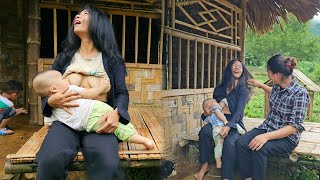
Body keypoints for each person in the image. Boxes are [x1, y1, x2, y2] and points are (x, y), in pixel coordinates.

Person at [35, 5, 130, 179]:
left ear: (99, 23)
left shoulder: (113, 60)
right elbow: (46, 89)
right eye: (78, 14)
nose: (78, 16)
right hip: (65, 120)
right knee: (49, 160)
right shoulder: (64, 58)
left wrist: (117, 113)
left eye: (85, 14)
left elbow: (122, 93)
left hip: (97, 121)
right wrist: (49, 102)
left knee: (107, 164)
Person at [32, 70, 155, 149]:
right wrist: (50, 102)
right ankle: (142, 139)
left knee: (117, 127)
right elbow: (48, 123)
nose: (66, 79)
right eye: (63, 79)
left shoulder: (71, 89)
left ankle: (142, 140)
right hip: (90, 119)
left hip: (94, 110)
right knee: (118, 128)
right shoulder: (65, 92)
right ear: (53, 89)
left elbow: (88, 94)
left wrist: (101, 88)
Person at [236, 54, 310, 180]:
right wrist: (259, 84)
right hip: (269, 126)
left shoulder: (300, 94)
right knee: (241, 142)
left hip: (287, 137)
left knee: (259, 148)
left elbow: (294, 127)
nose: (267, 75)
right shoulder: (278, 85)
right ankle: (248, 177)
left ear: (278, 75)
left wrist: (265, 137)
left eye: (268, 72)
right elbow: (275, 92)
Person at [194, 59, 250, 180]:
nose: (237, 68)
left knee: (230, 142)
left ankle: (226, 177)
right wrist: (205, 113)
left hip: (234, 122)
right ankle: (204, 166)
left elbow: (239, 112)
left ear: (242, 71)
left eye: (240, 66)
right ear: (229, 69)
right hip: (217, 122)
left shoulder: (243, 90)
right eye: (234, 66)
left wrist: (228, 126)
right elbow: (213, 109)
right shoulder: (219, 89)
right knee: (204, 132)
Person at [201, 98, 228, 169]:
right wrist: (225, 121)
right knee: (219, 144)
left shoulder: (209, 115)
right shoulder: (216, 108)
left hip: (215, 129)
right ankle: (218, 162)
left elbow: (205, 119)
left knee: (218, 144)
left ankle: (217, 161)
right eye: (215, 102)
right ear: (211, 105)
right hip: (220, 128)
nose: (217, 103)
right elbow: (218, 113)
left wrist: (207, 113)